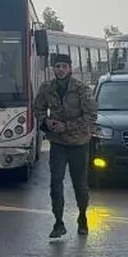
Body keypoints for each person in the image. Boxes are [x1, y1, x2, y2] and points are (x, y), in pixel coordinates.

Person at [33, 52, 98, 238]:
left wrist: (67, 126)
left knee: (80, 184)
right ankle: (58, 222)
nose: (60, 70)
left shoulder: (81, 89)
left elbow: (91, 117)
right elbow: (37, 108)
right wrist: (46, 122)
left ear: (70, 68)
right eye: (57, 66)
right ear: (53, 69)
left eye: (63, 66)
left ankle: (83, 217)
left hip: (78, 143)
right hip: (58, 143)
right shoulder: (47, 88)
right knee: (55, 182)